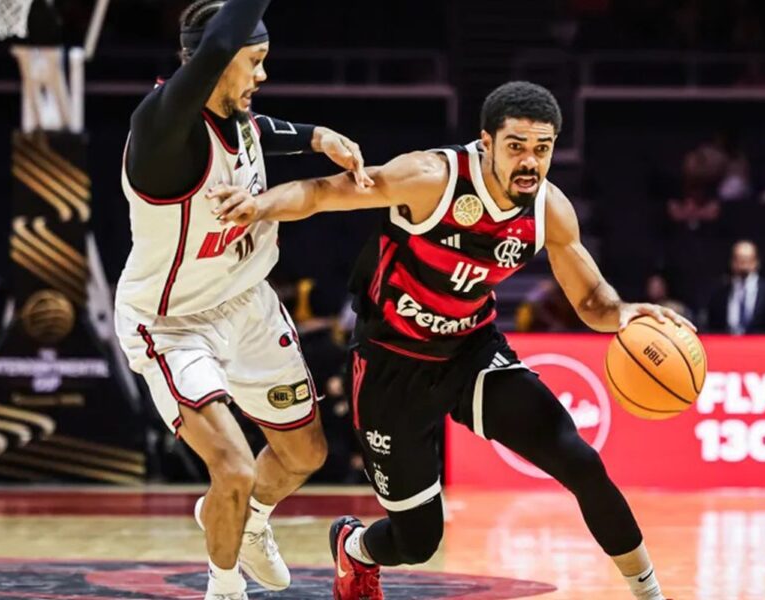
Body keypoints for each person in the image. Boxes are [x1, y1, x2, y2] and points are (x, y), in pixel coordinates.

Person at [210, 81, 688, 600]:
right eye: (516, 147)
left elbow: (591, 300)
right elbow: (325, 193)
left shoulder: (549, 208)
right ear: (487, 142)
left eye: (542, 148)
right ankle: (356, 548)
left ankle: (650, 593)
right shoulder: (431, 178)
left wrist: (622, 313)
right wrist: (258, 205)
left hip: (470, 353)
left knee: (580, 461)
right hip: (391, 363)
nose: (530, 162)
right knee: (418, 541)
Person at [111, 1, 373, 598]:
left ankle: (247, 521)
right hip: (172, 324)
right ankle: (225, 586)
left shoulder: (236, 117)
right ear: (216, 58)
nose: (262, 74)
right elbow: (214, 58)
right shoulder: (160, 128)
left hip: (248, 305)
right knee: (232, 467)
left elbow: (258, 132)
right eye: (252, 61)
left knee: (305, 453)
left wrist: (317, 137)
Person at [704, 240, 765, 334]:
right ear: (732, 261)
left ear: (756, 261)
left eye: (747, 259)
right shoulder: (719, 294)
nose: (743, 263)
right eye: (739, 258)